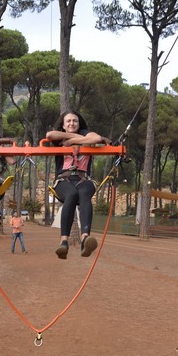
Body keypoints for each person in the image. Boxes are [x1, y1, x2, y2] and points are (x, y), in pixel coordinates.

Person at [46, 111, 111, 260]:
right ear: (63, 124)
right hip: (64, 179)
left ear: (79, 123)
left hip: (83, 178)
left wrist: (74, 140)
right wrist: (74, 138)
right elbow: (50, 135)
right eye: (68, 121)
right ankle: (63, 241)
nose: (71, 124)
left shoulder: (86, 133)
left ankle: (85, 239)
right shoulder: (59, 137)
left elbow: (97, 138)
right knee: (71, 195)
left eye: (75, 121)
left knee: (84, 194)